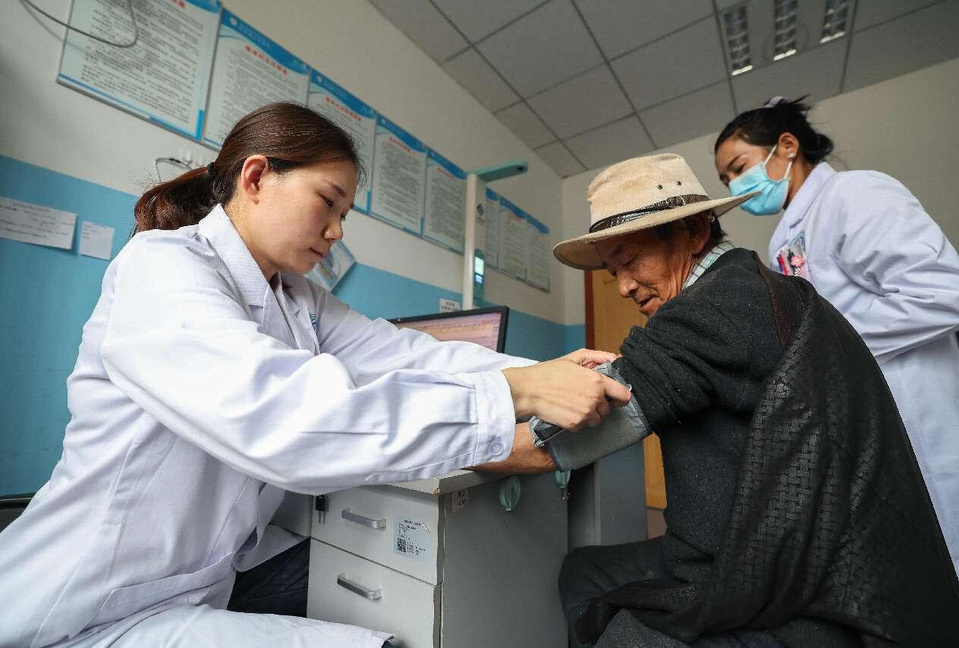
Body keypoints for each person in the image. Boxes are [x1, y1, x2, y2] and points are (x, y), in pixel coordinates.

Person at [0, 102, 630, 648]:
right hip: (85, 610)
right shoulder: (162, 269)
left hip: (201, 579)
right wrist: (514, 394)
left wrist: (543, 370)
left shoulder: (296, 298)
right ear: (256, 177)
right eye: (327, 204)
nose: (336, 232)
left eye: (345, 214)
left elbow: (408, 354)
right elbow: (281, 417)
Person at [552, 153, 959, 647]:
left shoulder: (718, 305)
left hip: (799, 589)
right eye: (613, 270)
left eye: (632, 261)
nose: (622, 286)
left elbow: (574, 434)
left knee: (623, 633)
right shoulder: (751, 285)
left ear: (694, 232)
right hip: (776, 552)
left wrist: (499, 414)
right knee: (586, 569)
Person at [714, 96, 959, 573]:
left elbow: (942, 291)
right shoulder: (784, 239)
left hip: (919, 413)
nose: (736, 186)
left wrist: (828, 348)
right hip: (868, 421)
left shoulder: (854, 194)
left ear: (786, 147)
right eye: (726, 180)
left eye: (739, 167)